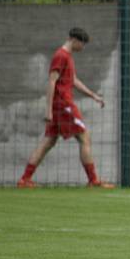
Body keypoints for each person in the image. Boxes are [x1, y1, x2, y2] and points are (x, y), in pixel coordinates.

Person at [17, 27, 113, 188]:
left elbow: (73, 80)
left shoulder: (67, 56)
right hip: (63, 104)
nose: (83, 48)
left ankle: (24, 179)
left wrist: (93, 95)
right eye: (82, 44)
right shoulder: (61, 56)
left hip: (60, 105)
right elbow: (51, 81)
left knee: (48, 142)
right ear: (74, 40)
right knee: (84, 137)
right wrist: (48, 111)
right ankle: (93, 180)